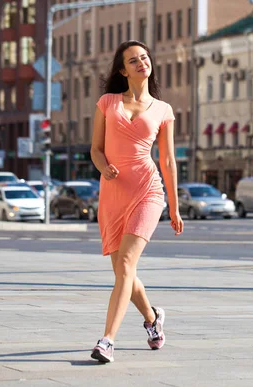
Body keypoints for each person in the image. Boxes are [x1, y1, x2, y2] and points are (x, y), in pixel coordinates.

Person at [89, 40, 184, 364]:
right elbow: (96, 149)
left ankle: (107, 341)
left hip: (147, 190)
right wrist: (103, 167)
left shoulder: (163, 110)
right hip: (113, 193)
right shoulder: (107, 102)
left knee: (126, 265)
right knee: (122, 270)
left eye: (144, 57)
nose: (141, 62)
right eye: (133, 60)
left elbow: (168, 161)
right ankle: (153, 317)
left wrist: (174, 205)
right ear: (122, 69)